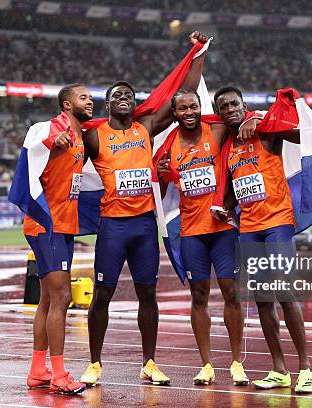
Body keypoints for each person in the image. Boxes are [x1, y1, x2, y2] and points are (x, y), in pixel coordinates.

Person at [79, 32, 209, 387]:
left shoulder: (146, 127)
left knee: (147, 294)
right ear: (107, 104)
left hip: (143, 227)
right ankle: (94, 363)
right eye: (117, 95)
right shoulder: (94, 135)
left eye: (129, 96)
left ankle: (149, 362)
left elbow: (186, 94)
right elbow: (69, 135)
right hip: (113, 227)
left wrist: (197, 54)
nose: (124, 98)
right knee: (102, 294)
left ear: (135, 105)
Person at [212, 86, 312, 393]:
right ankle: (279, 369)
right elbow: (232, 189)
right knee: (263, 301)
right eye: (224, 106)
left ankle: (305, 368)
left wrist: (261, 119)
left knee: (284, 292)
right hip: (250, 227)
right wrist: (223, 207)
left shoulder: (265, 131)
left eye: (234, 103)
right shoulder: (228, 146)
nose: (229, 108)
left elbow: (301, 134)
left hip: (278, 222)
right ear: (219, 113)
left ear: (244, 105)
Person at [155, 89, 252, 386]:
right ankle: (207, 364)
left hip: (222, 228)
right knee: (198, 297)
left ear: (200, 107)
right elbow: (159, 191)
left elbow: (243, 117)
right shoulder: (169, 147)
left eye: (193, 106)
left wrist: (255, 117)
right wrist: (159, 175)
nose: (189, 112)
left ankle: (237, 362)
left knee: (231, 293)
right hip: (191, 232)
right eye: (182, 108)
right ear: (175, 113)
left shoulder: (218, 129)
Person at [22, 84, 93, 395]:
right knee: (62, 298)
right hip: (46, 225)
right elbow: (33, 143)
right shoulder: (51, 127)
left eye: (90, 97)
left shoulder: (81, 134)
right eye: (83, 97)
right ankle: (59, 374)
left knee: (48, 299)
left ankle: (39, 369)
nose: (90, 101)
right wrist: (53, 140)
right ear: (67, 104)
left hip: (64, 225)